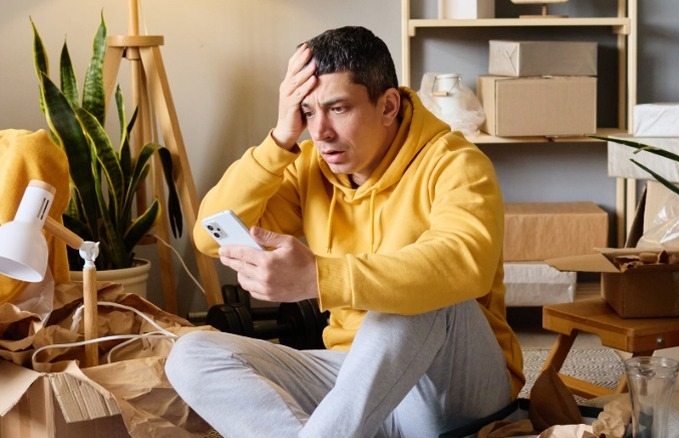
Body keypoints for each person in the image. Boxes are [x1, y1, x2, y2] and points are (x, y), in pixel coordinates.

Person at [165, 26, 524, 437]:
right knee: (190, 354)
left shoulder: (456, 163)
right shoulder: (307, 165)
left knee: (409, 298)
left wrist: (319, 275)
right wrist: (280, 139)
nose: (320, 133)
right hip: (353, 382)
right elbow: (211, 235)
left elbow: (466, 265)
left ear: (388, 106)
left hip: (453, 391)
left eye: (337, 109)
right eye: (308, 112)